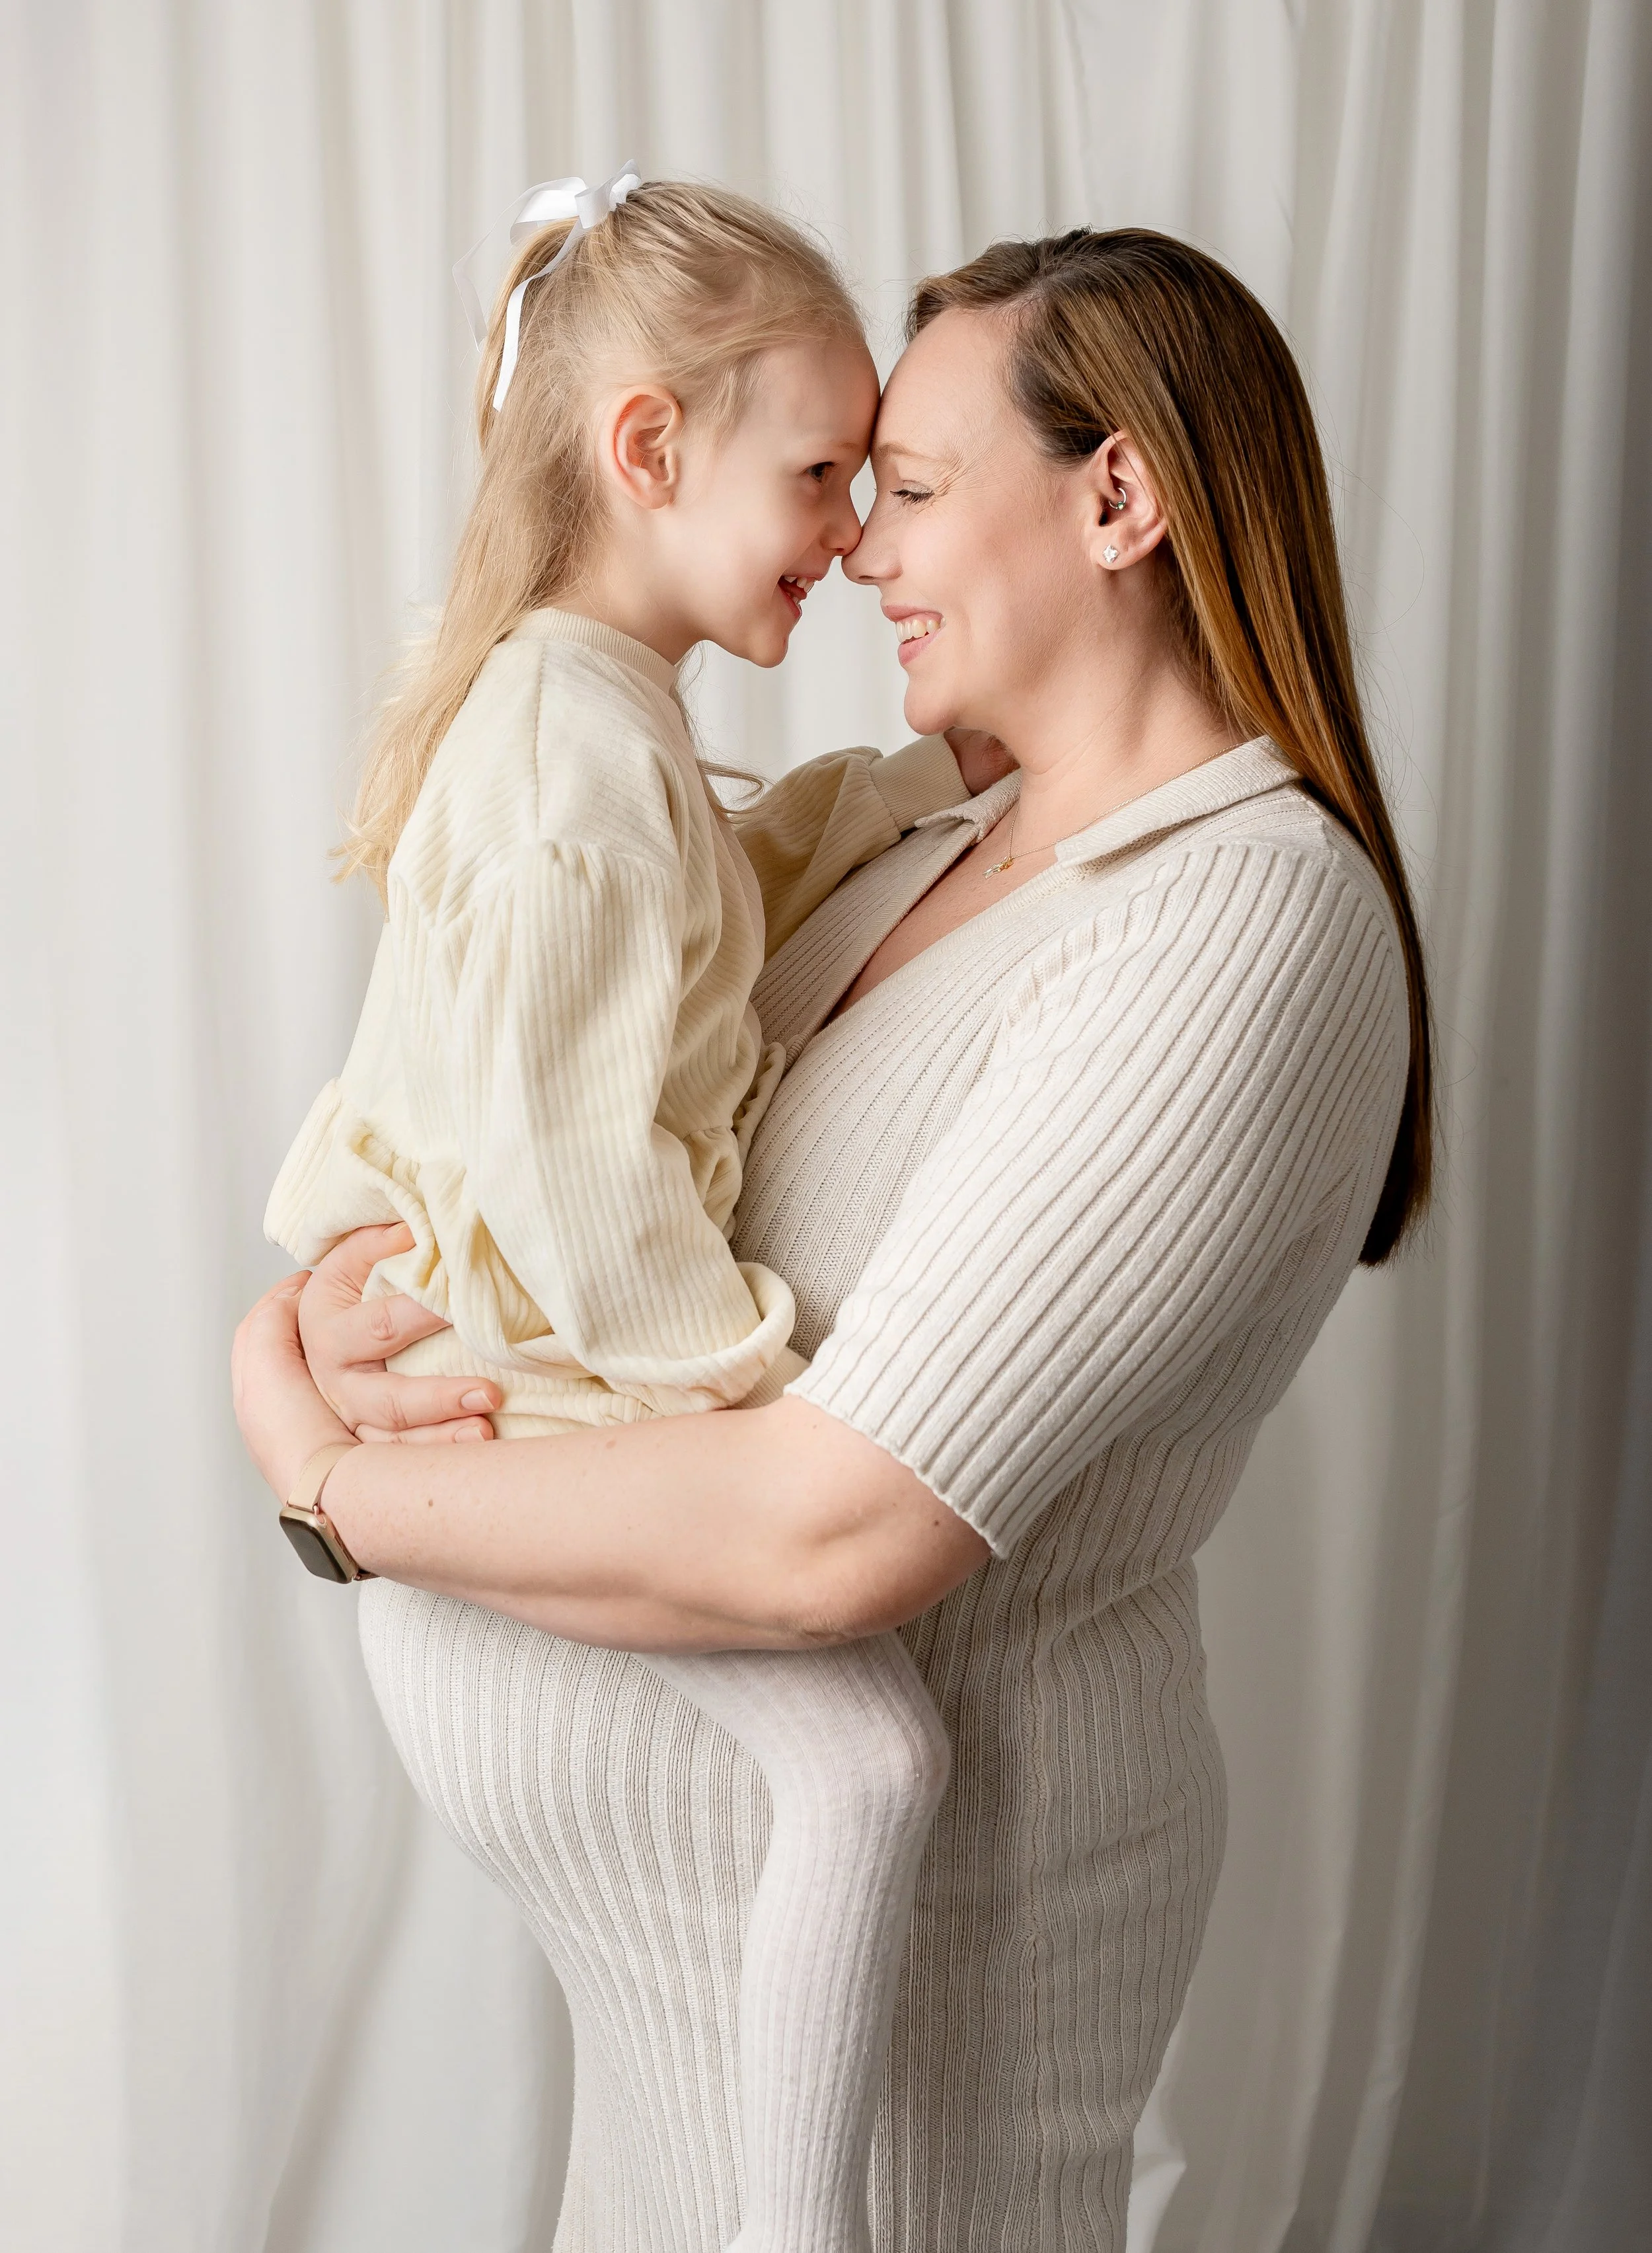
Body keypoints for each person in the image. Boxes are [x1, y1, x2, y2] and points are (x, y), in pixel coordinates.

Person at [235, 225, 1433, 2251]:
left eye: (917, 487)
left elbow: (834, 1533)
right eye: (845, 487)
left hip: (903, 2105)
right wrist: (290, 1346)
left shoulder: (1234, 922)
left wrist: (336, 1493)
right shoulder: (916, 843)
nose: (863, 545)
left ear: (1117, 495)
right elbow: (533, 1137)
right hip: (675, 2012)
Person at [262, 176, 1008, 2253]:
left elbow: (711, 909)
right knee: (868, 1766)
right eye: (824, 471)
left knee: (866, 1767)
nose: (855, 531)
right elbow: (580, 1178)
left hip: (519, 1350)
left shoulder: (583, 712)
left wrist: (910, 787)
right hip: (543, 1373)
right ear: (652, 449)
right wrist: (754, 1393)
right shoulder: (577, 753)